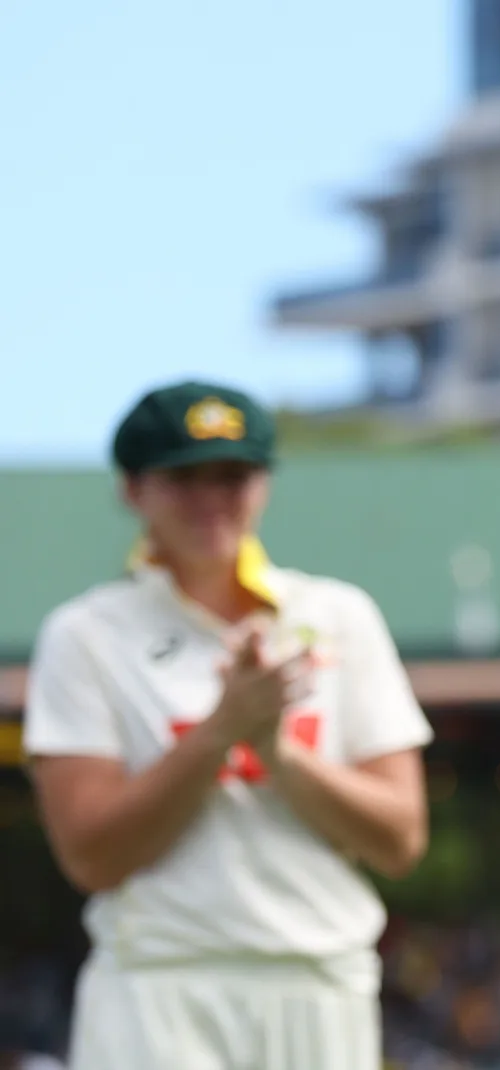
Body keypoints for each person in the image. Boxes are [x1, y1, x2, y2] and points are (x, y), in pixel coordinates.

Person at [24, 381, 433, 1070]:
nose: (210, 498)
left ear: (264, 484)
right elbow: (92, 856)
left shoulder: (340, 616)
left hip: (320, 980)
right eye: (183, 477)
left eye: (233, 476)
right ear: (132, 489)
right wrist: (221, 731)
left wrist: (276, 751)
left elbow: (400, 841)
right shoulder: (85, 633)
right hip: (158, 986)